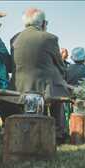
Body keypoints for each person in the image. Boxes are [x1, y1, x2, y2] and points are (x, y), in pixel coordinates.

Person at [12, 8, 70, 143]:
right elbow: (60, 65)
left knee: (51, 81)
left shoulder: (14, 39)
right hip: (44, 87)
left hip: (19, 86)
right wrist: (61, 76)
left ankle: (37, 129)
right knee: (59, 89)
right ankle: (59, 132)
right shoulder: (49, 38)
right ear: (43, 23)